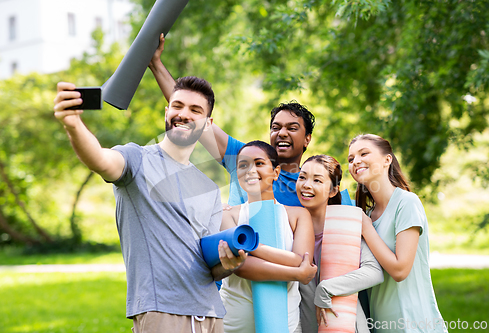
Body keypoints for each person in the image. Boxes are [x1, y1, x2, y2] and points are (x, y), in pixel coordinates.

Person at [53, 77, 247, 333]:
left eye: (195, 110)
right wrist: (74, 125)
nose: (183, 114)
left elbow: (208, 265)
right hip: (161, 313)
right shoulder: (136, 160)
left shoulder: (210, 189)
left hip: (211, 315)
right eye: (177, 106)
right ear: (167, 111)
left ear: (207, 124)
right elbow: (99, 159)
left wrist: (229, 264)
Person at [148, 34, 350, 207]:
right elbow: (191, 116)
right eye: (276, 127)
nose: (282, 133)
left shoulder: (312, 186)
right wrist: (156, 64)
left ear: (307, 139)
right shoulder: (245, 159)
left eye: (292, 128)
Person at [347, 134, 447, 333]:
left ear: (387, 159)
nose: (356, 161)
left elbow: (400, 270)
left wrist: (366, 229)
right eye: (350, 159)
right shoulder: (366, 216)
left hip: (414, 324)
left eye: (364, 153)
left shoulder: (406, 203)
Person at [218, 140, 317, 333]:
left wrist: (251, 245)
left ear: (276, 172)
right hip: (235, 324)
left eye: (259, 163)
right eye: (243, 165)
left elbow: (301, 260)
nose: (250, 170)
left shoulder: (297, 215)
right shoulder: (228, 215)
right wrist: (296, 274)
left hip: (284, 322)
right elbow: (241, 267)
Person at [295, 155, 384, 333]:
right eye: (302, 177)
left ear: (333, 191)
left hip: (346, 323)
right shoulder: (290, 224)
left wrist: (326, 289)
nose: (306, 185)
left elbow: (375, 272)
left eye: (317, 180)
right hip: (306, 325)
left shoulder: (346, 224)